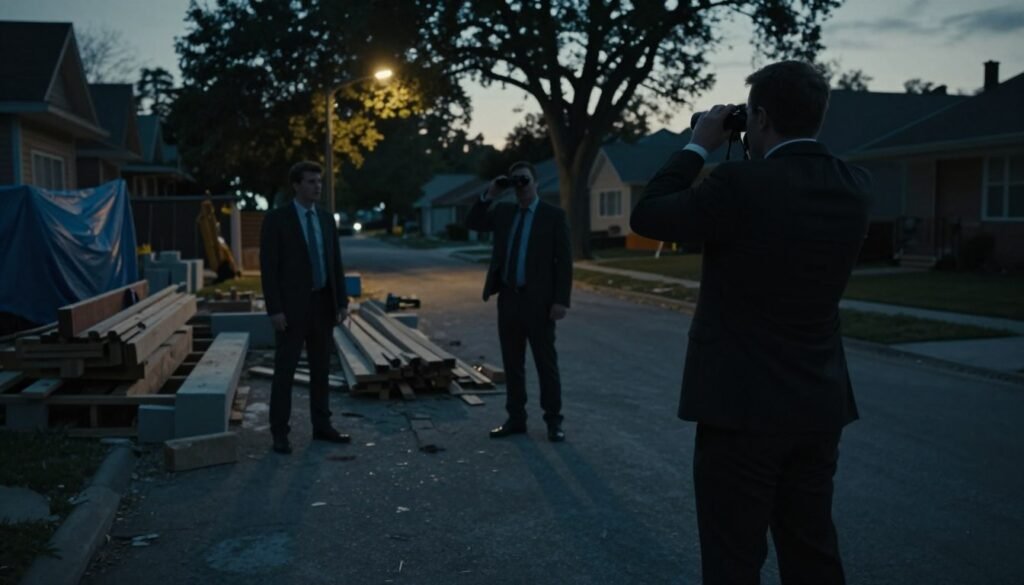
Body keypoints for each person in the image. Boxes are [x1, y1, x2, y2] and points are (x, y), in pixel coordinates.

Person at [630, 61, 871, 584]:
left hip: (740, 409)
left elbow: (648, 215)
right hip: (818, 403)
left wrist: (698, 145)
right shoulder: (853, 185)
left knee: (733, 559)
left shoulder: (737, 185)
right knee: (812, 551)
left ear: (759, 118)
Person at [465, 161, 573, 442]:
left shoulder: (553, 216)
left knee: (545, 364)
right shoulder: (504, 212)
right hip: (509, 298)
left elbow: (564, 262)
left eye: (524, 179)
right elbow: (473, 222)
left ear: (536, 182)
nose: (520, 186)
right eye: (515, 181)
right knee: (512, 364)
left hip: (540, 302)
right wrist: (491, 193)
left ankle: (553, 421)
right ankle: (516, 419)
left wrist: (561, 300)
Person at [259, 161, 351, 454]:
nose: (317, 186)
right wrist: (275, 309)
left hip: (323, 303)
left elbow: (335, 263)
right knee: (285, 371)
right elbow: (268, 268)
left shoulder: (326, 219)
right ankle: (280, 433)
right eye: (311, 181)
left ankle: (322, 426)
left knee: (321, 369)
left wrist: (341, 301)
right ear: (296, 185)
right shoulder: (277, 220)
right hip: (291, 308)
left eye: (319, 181)